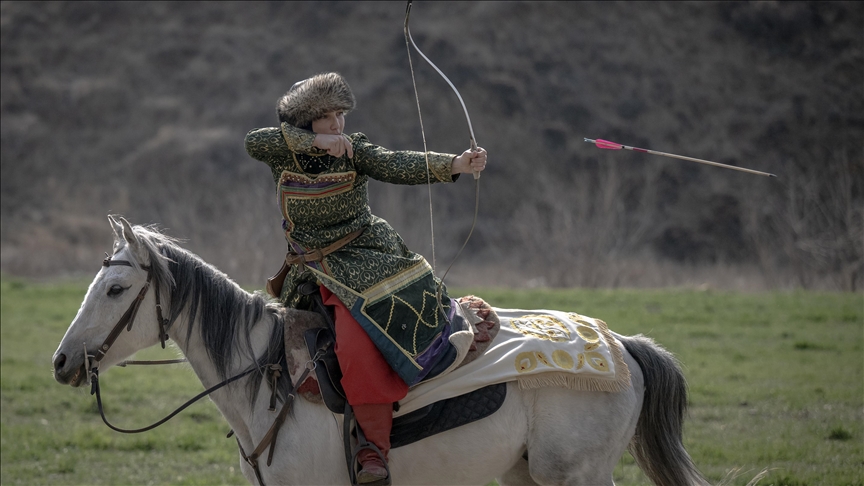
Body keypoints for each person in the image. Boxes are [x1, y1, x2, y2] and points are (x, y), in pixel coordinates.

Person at [244, 72, 487, 484]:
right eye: (327, 117)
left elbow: (397, 163)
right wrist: (312, 142)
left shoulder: (357, 151)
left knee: (357, 345)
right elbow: (254, 140)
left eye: (340, 115)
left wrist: (454, 164)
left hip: (365, 260)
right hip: (307, 268)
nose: (338, 125)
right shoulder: (281, 151)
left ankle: (372, 451)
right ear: (306, 121)